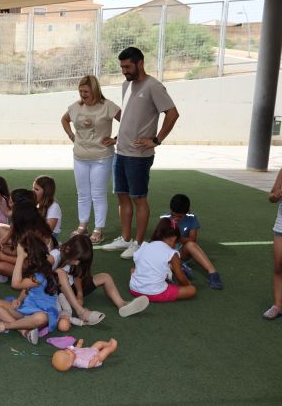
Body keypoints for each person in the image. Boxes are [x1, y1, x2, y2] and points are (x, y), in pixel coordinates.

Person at [102, 47, 179, 259]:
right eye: (122, 67)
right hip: (121, 152)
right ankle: (125, 239)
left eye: (127, 66)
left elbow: (172, 114)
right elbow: (129, 118)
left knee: (139, 199)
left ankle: (138, 243)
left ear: (140, 63)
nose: (124, 71)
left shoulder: (154, 86)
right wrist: (118, 139)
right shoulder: (126, 85)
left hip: (139, 156)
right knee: (122, 197)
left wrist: (156, 140)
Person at [61, 75, 121, 244]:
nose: (83, 95)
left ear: (94, 90)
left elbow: (127, 121)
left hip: (102, 157)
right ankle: (83, 225)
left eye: (86, 91)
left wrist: (116, 139)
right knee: (82, 193)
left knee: (98, 194)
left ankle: (98, 229)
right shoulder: (75, 107)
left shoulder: (107, 106)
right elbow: (64, 119)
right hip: (80, 157)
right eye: (80, 91)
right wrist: (72, 136)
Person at [0, 234, 60, 345]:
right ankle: (24, 330)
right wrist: (19, 299)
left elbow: (16, 284)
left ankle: (4, 325)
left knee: (41, 317)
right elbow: (26, 288)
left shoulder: (40, 275)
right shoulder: (39, 267)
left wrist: (20, 258)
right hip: (26, 309)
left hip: (41, 313)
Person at [57, 235, 149, 325]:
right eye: (76, 259)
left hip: (72, 288)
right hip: (59, 292)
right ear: (68, 249)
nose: (77, 263)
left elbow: (77, 276)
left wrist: (80, 295)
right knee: (60, 272)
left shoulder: (76, 258)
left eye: (80, 261)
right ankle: (81, 312)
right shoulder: (56, 255)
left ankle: (122, 304)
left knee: (105, 277)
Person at [0, 200, 55, 283]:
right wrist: (2, 250)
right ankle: (4, 271)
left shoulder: (32, 235)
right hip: (34, 261)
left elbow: (28, 264)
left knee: (0, 266)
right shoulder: (34, 226)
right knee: (2, 251)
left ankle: (3, 276)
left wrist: (3, 257)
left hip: (39, 271)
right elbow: (22, 251)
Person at [162, 194, 223, 289]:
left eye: (180, 216)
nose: (176, 218)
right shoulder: (164, 218)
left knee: (191, 244)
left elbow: (192, 239)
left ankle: (213, 273)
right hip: (167, 253)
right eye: (173, 215)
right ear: (170, 209)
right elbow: (160, 241)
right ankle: (177, 268)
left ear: (187, 212)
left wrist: (178, 238)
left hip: (182, 253)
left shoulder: (192, 217)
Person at [129, 218, 196, 302]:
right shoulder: (172, 253)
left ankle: (162, 278)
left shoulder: (145, 246)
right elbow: (181, 277)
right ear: (174, 238)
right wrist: (188, 284)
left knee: (133, 270)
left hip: (134, 289)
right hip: (155, 293)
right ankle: (166, 279)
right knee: (192, 290)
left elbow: (138, 265)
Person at [264, 168, 282, 320]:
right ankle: (277, 305)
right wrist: (276, 195)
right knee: (278, 266)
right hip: (281, 226)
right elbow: (271, 196)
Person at [52, 338, 118, 372]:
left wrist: (79, 343)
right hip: (94, 358)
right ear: (70, 363)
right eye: (67, 353)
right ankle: (112, 347)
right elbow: (89, 365)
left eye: (65, 351)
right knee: (105, 351)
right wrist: (95, 359)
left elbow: (77, 348)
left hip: (91, 350)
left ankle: (108, 344)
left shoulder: (71, 353)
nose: (67, 350)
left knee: (99, 343)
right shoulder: (78, 362)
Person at [33, 175, 62, 240]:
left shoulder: (54, 207)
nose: (33, 191)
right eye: (33, 188)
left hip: (48, 239)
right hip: (35, 235)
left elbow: (47, 233)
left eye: (36, 189)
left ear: (46, 192)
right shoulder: (36, 203)